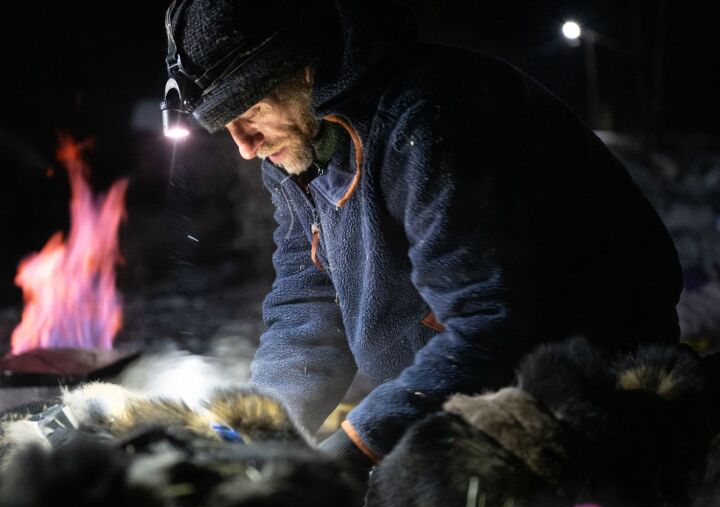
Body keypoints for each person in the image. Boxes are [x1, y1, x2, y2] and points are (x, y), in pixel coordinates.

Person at [159, 0, 682, 475]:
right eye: (227, 126)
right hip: (463, 390)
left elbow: (489, 323)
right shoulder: (299, 146)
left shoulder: (426, 117)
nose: (245, 146)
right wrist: (252, 435)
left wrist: (352, 451)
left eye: (250, 113)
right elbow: (310, 302)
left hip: (590, 384)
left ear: (304, 68)